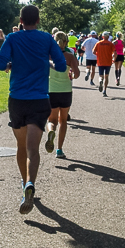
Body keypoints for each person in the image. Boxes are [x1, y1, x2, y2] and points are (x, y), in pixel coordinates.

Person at [0, 5, 68, 215]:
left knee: (20, 146)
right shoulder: (46, 39)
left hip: (17, 99)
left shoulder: (12, 38)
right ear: (38, 20)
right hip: (39, 100)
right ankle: (30, 184)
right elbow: (62, 66)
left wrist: (12, 62)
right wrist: (47, 62)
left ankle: (24, 183)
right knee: (32, 149)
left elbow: (0, 65)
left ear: (21, 20)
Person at [45, 31, 81, 159]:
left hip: (51, 91)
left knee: (52, 120)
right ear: (66, 42)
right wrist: (71, 73)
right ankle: (59, 150)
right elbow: (77, 74)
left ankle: (50, 132)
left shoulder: (48, 55)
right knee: (63, 120)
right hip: (66, 91)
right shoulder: (70, 56)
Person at [92, 31, 115, 97]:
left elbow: (93, 51)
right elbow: (115, 53)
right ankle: (104, 91)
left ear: (102, 37)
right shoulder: (110, 44)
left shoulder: (98, 43)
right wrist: (114, 59)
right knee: (106, 76)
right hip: (108, 62)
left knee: (100, 75)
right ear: (108, 37)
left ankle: (100, 81)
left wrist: (98, 54)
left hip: (100, 62)